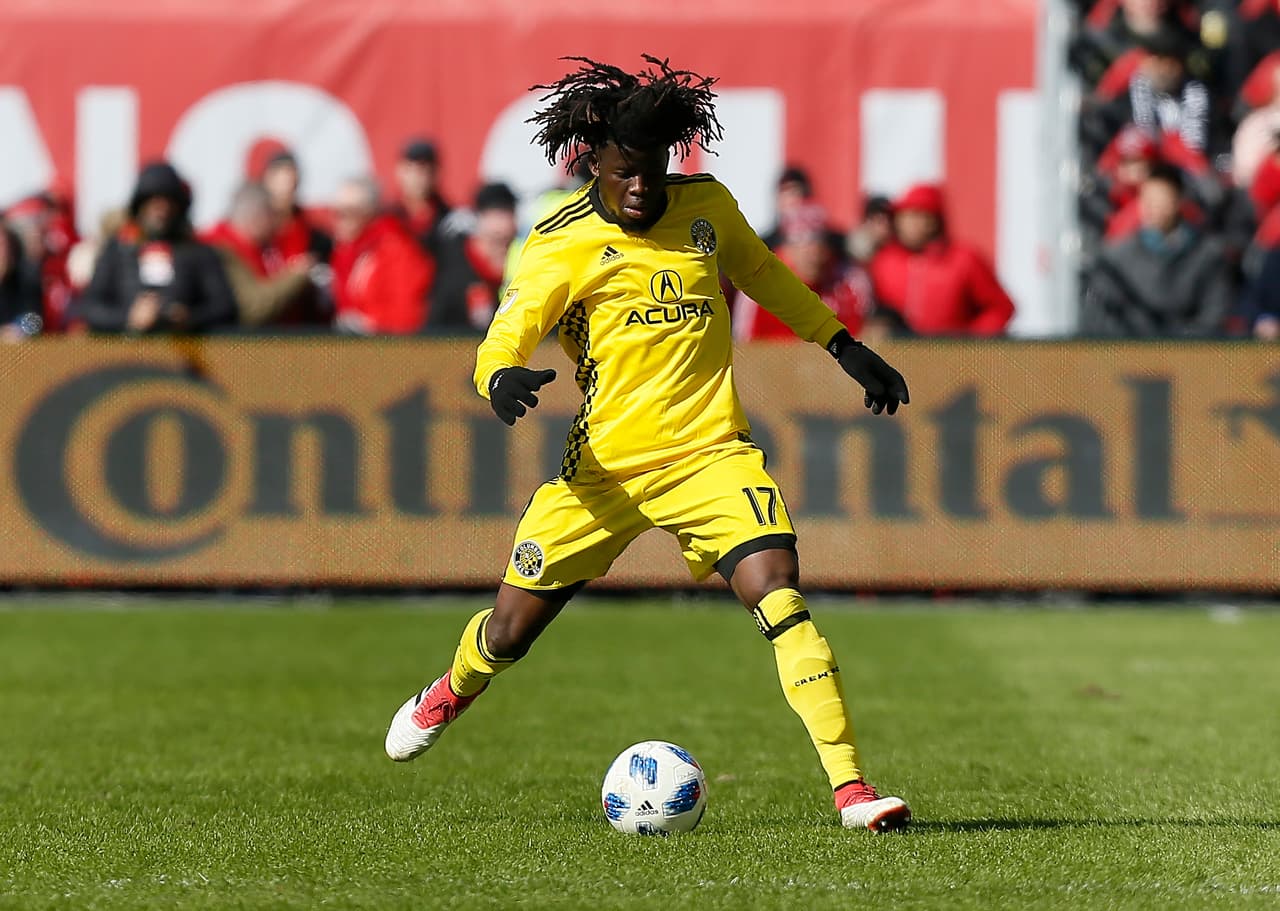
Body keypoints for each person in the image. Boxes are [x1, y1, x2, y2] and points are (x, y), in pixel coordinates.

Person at [383, 55, 913, 834]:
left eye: (654, 169)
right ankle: (452, 688)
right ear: (594, 160)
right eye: (627, 171)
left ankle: (852, 790)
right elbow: (512, 325)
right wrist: (496, 376)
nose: (642, 187)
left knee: (783, 594)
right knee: (507, 633)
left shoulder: (706, 209)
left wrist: (840, 343)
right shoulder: (559, 240)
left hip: (710, 454)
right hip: (603, 472)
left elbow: (765, 274)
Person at [77, 161, 236, 334]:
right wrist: (128, 317)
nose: (161, 210)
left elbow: (225, 306)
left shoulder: (198, 252)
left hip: (183, 352)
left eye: (168, 202)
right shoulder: (117, 250)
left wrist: (189, 317)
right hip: (125, 354)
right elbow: (91, 307)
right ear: (140, 205)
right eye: (154, 202)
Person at [1081, 163, 1231, 336]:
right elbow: (1101, 314)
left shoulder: (1207, 255)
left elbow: (1214, 316)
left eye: (1161, 200)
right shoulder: (1117, 256)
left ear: (1178, 201)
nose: (1153, 208)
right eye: (1147, 200)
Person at [869, 183, 1015, 336]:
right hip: (898, 355)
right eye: (902, 217)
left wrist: (971, 343)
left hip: (951, 355)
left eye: (914, 216)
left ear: (933, 221)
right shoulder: (883, 261)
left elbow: (1000, 308)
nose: (905, 224)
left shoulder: (963, 259)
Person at [732, 201, 873, 341]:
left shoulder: (849, 282)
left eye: (819, 241)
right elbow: (744, 348)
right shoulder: (758, 288)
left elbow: (867, 339)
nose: (813, 252)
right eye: (801, 242)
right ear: (785, 250)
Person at [203, 183, 318, 329]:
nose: (278, 225)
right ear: (259, 216)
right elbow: (254, 307)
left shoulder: (260, 248)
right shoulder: (219, 250)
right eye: (274, 215)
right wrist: (297, 275)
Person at [329, 177, 433, 334]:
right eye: (337, 213)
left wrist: (367, 322)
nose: (340, 220)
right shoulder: (346, 253)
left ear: (370, 213)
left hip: (387, 349)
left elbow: (408, 315)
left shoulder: (396, 249)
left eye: (349, 212)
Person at [427, 182, 519, 333]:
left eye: (507, 242)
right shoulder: (453, 268)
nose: (502, 247)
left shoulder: (521, 268)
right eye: (496, 240)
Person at [388, 137, 453, 260]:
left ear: (436, 173)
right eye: (411, 170)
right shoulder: (387, 220)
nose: (417, 178)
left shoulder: (450, 222)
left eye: (424, 170)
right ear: (399, 172)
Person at [0, 224, 42, 341]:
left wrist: (19, 329)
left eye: (4, 245)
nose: (3, 251)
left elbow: (34, 318)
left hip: (17, 348)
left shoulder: (25, 278)